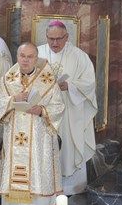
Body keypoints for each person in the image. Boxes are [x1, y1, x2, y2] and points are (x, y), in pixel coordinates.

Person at [0, 43, 65, 205]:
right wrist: (13, 100)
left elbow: (58, 106)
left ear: (36, 58)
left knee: (37, 172)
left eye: (30, 56)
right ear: (17, 56)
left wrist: (42, 110)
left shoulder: (48, 80)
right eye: (22, 56)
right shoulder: (8, 79)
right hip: (14, 135)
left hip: (38, 138)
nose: (25, 60)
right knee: (14, 172)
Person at [37, 20, 97, 195]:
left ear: (67, 37)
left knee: (68, 150)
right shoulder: (37, 54)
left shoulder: (79, 56)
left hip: (69, 113)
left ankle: (70, 190)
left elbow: (89, 83)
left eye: (59, 39)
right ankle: (44, 188)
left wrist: (70, 86)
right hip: (43, 113)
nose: (55, 43)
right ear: (46, 37)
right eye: (51, 39)